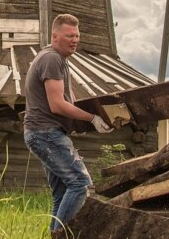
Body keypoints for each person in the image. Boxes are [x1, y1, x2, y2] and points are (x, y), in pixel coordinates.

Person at [23, 14, 114, 233]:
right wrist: (93, 118)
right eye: (69, 36)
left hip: (44, 132)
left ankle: (55, 234)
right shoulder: (51, 59)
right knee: (80, 184)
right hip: (45, 133)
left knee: (62, 192)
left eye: (77, 36)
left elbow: (67, 101)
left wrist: (73, 126)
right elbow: (57, 105)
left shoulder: (59, 61)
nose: (74, 40)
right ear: (55, 36)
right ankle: (61, 236)